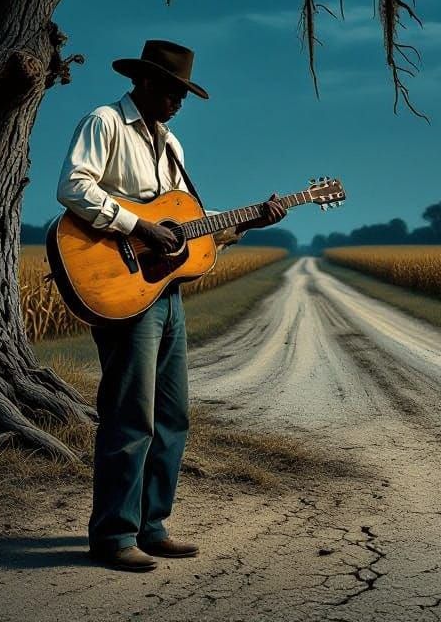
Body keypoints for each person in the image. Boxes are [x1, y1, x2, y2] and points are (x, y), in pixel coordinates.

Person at [56, 39, 287, 572]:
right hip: (123, 289)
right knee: (129, 414)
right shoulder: (106, 123)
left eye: (184, 94)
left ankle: (151, 526)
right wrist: (139, 227)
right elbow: (72, 187)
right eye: (175, 92)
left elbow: (187, 229)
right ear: (147, 83)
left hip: (166, 292)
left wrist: (251, 219)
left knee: (173, 414)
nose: (180, 103)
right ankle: (114, 536)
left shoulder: (174, 147)